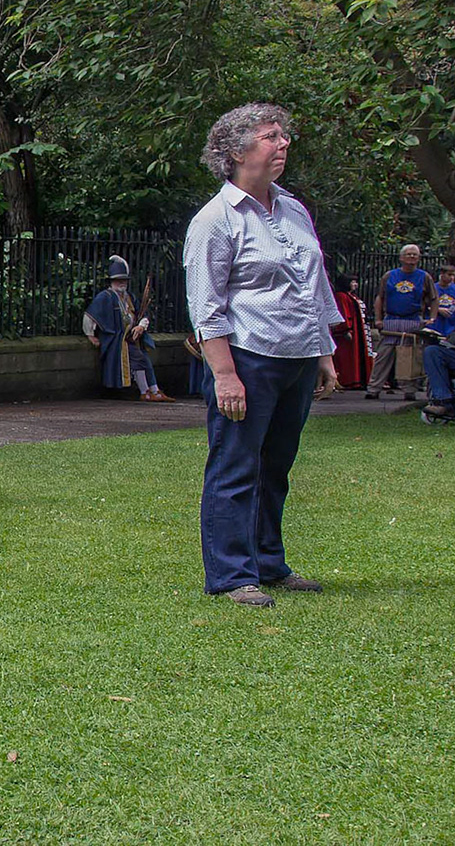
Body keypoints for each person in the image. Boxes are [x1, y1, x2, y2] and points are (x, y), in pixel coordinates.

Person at [184, 102, 341, 608]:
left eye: (283, 134)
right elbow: (206, 305)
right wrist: (224, 375)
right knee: (235, 466)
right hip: (248, 358)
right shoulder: (215, 220)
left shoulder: (293, 209)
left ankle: (269, 562)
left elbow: (316, 286)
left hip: (298, 355)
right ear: (235, 152)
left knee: (277, 466)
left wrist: (325, 354)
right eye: (271, 136)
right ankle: (232, 574)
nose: (284, 143)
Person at [83, 256, 174, 402]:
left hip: (132, 338)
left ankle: (150, 391)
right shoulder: (105, 297)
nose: (121, 282)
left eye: (124, 279)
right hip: (117, 339)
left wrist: (140, 326)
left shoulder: (129, 297)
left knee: (143, 360)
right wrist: (90, 335)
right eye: (118, 279)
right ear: (111, 281)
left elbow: (142, 314)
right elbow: (89, 316)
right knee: (140, 360)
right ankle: (149, 391)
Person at [366, 244, 437, 400]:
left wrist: (432, 318)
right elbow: (380, 297)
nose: (411, 257)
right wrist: (378, 319)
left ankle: (409, 389)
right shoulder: (389, 276)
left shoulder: (424, 277)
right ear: (401, 257)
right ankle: (374, 388)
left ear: (418, 258)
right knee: (384, 355)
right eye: (409, 254)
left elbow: (433, 298)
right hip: (391, 319)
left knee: (409, 357)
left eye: (415, 255)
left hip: (412, 319)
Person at [329, 273, 372, 390]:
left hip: (359, 331)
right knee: (348, 357)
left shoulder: (351, 296)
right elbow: (343, 313)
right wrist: (346, 329)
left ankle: (359, 379)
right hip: (350, 332)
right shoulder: (341, 296)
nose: (355, 285)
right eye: (352, 282)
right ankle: (348, 380)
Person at [424, 263, 455, 340]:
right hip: (434, 326)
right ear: (442, 274)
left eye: (453, 275)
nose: (452, 277)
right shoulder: (432, 288)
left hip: (452, 325)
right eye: (449, 275)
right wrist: (437, 309)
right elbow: (424, 305)